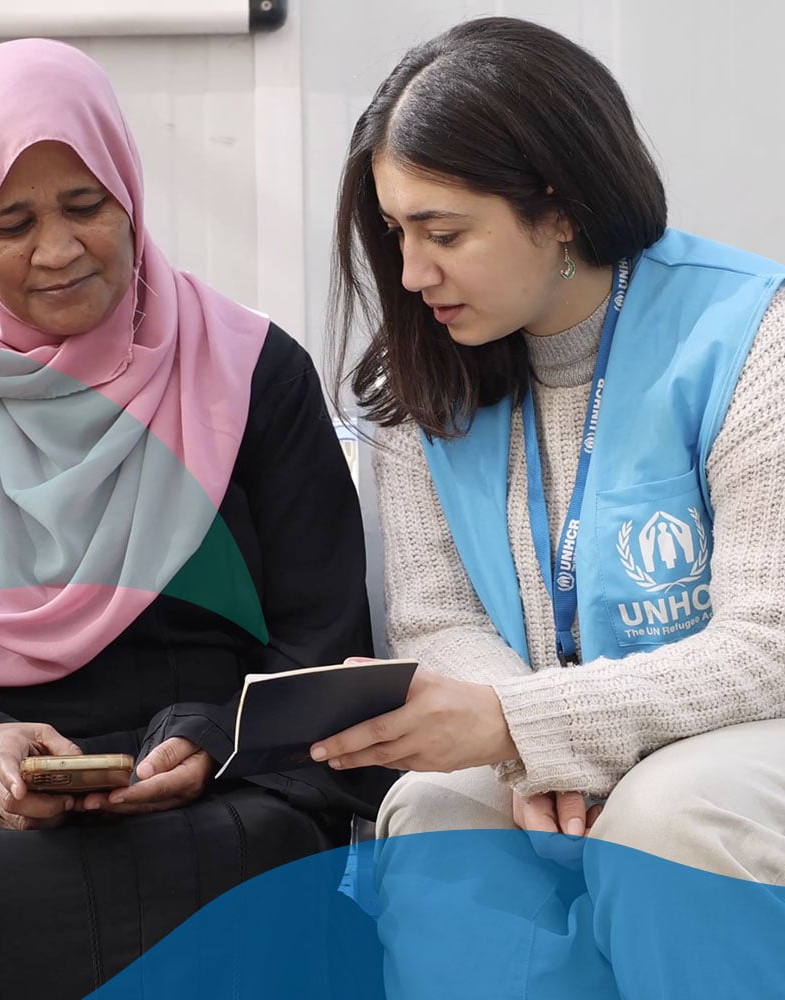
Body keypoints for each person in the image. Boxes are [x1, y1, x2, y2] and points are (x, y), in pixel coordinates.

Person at [0, 38, 391, 1000]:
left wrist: (212, 737)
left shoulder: (247, 372)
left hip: (204, 773)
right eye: (12, 222)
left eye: (85, 206)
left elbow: (320, 634)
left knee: (260, 859)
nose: (58, 251)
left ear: (130, 194)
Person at [318, 15, 785, 999]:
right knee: (436, 810)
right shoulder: (417, 374)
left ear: (560, 207)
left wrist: (521, 725)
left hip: (741, 734)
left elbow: (766, 647)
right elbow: (437, 618)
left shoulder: (752, 336)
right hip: (544, 740)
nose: (409, 274)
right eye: (397, 231)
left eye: (444, 233)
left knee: (668, 822)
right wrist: (529, 749)